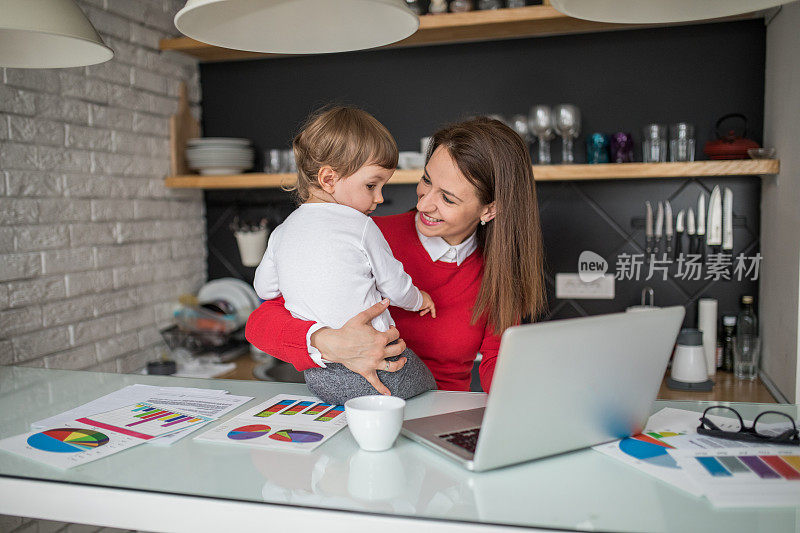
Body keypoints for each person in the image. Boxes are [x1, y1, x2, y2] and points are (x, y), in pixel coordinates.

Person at [246, 116, 547, 395]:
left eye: (448, 198)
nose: (425, 204)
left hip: (440, 414)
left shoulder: (498, 272)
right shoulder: (363, 234)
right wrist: (324, 340)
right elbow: (260, 323)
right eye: (427, 180)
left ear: (489, 209)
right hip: (363, 409)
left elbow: (498, 365)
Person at [253, 106, 437, 405]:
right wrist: (420, 299)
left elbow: (264, 290)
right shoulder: (361, 226)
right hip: (384, 369)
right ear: (328, 179)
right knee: (430, 393)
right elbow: (394, 286)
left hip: (320, 375)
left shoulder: (282, 232)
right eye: (371, 185)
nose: (378, 198)